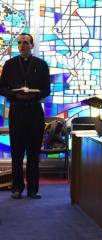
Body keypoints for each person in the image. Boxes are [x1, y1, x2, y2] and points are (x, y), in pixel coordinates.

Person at [0, 33, 50, 199]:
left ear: (32, 45)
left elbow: (46, 90)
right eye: (20, 43)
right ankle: (17, 188)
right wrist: (15, 95)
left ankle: (33, 189)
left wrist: (33, 96)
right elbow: (2, 88)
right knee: (17, 152)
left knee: (34, 153)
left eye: (26, 43)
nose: (22, 46)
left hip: (35, 112)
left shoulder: (42, 65)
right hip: (17, 111)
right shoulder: (9, 64)